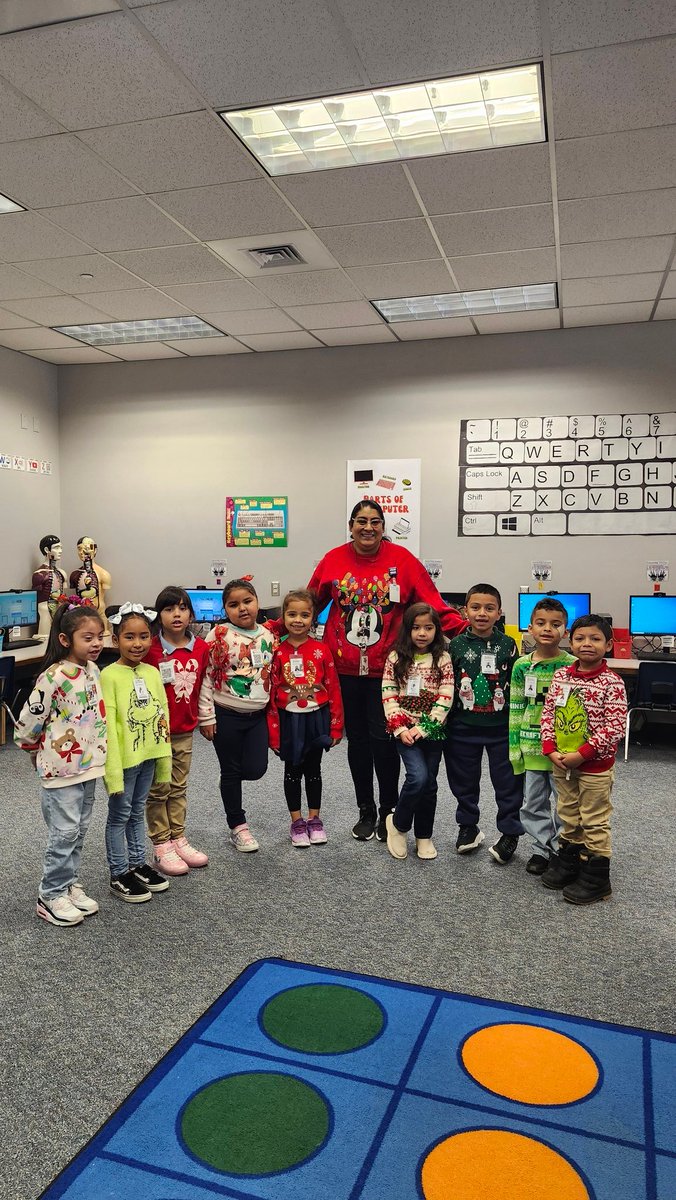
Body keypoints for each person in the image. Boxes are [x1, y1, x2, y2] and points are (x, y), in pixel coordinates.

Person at [307, 500, 465, 843]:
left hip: (389, 671)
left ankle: (388, 810)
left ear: (382, 526)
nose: (368, 528)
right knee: (358, 743)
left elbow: (434, 606)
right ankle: (365, 810)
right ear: (351, 525)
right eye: (361, 521)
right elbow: (308, 606)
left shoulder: (403, 561)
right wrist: (272, 630)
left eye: (375, 521)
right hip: (345, 670)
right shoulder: (332, 560)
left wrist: (469, 635)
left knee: (385, 742)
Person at [14, 599, 106, 926]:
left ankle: (68, 883)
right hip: (60, 769)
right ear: (66, 639)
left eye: (100, 637)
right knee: (63, 833)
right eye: (88, 638)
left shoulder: (93, 671)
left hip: (89, 765)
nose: (96, 644)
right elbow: (30, 719)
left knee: (78, 831)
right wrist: (31, 748)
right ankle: (50, 894)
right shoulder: (53, 676)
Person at [540, 615, 627, 904]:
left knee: (594, 819)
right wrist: (550, 748)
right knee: (568, 813)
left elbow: (614, 727)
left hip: (594, 768)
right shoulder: (561, 677)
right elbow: (548, 714)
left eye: (595, 639)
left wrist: (583, 754)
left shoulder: (612, 683)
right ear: (570, 641)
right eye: (580, 638)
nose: (587, 644)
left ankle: (598, 877)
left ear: (609, 645)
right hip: (562, 764)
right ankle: (572, 861)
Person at [444, 584, 523, 864]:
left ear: (499, 613)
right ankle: (468, 827)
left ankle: (510, 832)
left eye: (489, 608)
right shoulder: (454, 645)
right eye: (475, 607)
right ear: (464, 611)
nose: (482, 613)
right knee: (463, 780)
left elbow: (516, 683)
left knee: (508, 783)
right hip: (462, 727)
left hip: (501, 728)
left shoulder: (508, 645)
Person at [101, 603, 172, 903]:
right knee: (120, 814)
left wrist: (164, 762)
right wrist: (113, 773)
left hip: (148, 755)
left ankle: (138, 863)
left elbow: (162, 716)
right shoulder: (109, 675)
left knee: (137, 810)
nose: (138, 643)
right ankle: (119, 872)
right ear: (115, 639)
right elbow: (108, 725)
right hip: (124, 761)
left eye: (144, 636)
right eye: (129, 637)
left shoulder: (152, 672)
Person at [198, 579, 273, 852]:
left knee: (256, 769)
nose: (242, 608)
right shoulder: (218, 635)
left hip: (257, 715)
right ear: (225, 609)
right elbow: (207, 676)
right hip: (226, 713)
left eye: (247, 601)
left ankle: (229, 781)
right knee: (230, 770)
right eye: (233, 604)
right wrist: (206, 716)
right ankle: (238, 826)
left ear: (257, 602)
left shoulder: (267, 635)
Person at [267, 589, 343, 846]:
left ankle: (314, 819)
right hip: (289, 720)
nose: (298, 620)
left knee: (313, 769)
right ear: (283, 617)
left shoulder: (322, 650)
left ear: (313, 618)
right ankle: (297, 822)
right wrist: (273, 733)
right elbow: (271, 694)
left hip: (316, 718)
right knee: (292, 770)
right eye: (292, 614)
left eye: (304, 615)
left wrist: (336, 727)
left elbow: (333, 689)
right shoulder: (277, 652)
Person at [145, 586, 211, 875]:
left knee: (178, 786)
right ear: (159, 615)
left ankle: (178, 837)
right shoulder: (149, 650)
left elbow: (206, 685)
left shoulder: (201, 648)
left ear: (190, 614)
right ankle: (161, 844)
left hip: (185, 730)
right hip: (156, 733)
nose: (176, 614)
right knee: (158, 788)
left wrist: (207, 717)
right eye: (169, 609)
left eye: (182, 608)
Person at [381, 603, 454, 861]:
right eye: (416, 628)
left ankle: (424, 835)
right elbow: (389, 694)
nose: (422, 633)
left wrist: (425, 728)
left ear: (436, 630)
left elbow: (446, 696)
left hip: (433, 733)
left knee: (430, 785)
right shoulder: (395, 658)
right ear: (407, 630)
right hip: (403, 731)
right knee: (417, 778)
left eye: (428, 628)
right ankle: (399, 825)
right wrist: (401, 727)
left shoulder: (443, 659)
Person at [508, 598, 575, 876]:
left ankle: (561, 849)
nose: (548, 628)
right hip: (531, 747)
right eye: (541, 623)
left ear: (566, 631)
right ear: (530, 628)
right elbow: (515, 708)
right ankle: (541, 848)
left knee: (565, 805)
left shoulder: (573, 665)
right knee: (533, 804)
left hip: (563, 752)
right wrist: (515, 751)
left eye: (555, 624)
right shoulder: (521, 666)